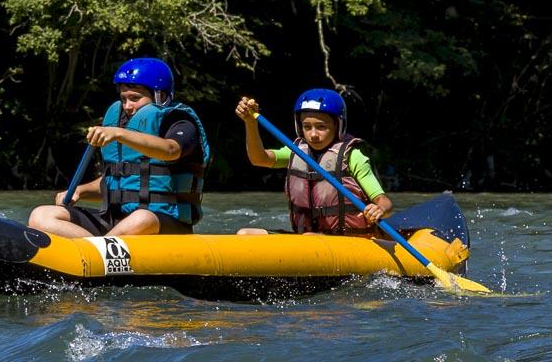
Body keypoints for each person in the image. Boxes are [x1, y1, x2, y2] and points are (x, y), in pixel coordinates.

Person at [27, 58, 209, 238]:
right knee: (41, 215)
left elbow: (171, 150)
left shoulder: (181, 122)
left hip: (164, 223)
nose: (127, 106)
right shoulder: (122, 122)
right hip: (116, 222)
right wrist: (80, 191)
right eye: (123, 99)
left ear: (160, 96)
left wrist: (120, 134)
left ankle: (98, 253)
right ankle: (95, 253)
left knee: (141, 218)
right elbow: (118, 181)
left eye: (135, 98)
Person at [232, 88, 392, 236]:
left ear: (338, 126)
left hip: (348, 241)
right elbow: (259, 159)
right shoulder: (296, 151)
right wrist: (250, 123)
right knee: (245, 234)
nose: (313, 134)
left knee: (310, 237)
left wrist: (379, 209)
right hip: (307, 240)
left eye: (321, 127)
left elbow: (384, 202)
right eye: (307, 127)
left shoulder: (353, 155)